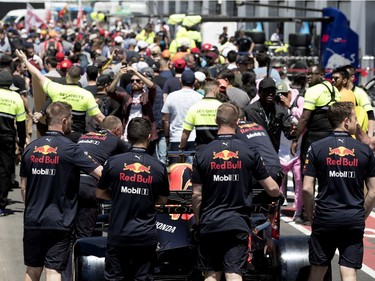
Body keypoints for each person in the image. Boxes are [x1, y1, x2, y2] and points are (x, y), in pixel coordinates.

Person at [192, 102, 281, 281]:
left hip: (210, 221)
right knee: (233, 273)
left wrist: (199, 219)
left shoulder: (201, 153)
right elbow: (272, 188)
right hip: (237, 223)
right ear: (238, 121)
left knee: (211, 274)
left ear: (216, 120)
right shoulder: (249, 152)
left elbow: (196, 194)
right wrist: (277, 194)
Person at [20, 101, 102, 281]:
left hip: (33, 219)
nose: (72, 122)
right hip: (59, 220)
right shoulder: (71, 149)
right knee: (53, 271)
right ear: (64, 121)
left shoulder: (30, 149)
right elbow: (101, 174)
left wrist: (33, 208)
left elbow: (23, 187)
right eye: (71, 119)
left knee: (32, 269)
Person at [303, 102, 375, 281]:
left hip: (325, 216)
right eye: (355, 118)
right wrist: (360, 215)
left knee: (318, 270)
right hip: (352, 218)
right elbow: (373, 191)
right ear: (346, 121)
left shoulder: (317, 147)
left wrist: (312, 216)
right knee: (349, 271)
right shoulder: (365, 150)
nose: (357, 123)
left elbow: (307, 188)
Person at [96, 117, 169, 281]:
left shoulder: (114, 162)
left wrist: (120, 195)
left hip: (118, 233)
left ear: (127, 137)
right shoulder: (158, 167)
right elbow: (163, 200)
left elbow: (99, 194)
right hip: (145, 235)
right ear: (149, 136)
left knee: (115, 278)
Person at [15, 49, 105, 142]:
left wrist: (25, 60)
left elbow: (37, 75)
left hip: (57, 138)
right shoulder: (87, 95)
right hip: (77, 139)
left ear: (66, 76)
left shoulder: (56, 89)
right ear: (79, 78)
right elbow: (99, 117)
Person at [76, 115, 128, 238]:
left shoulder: (84, 136)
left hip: (70, 183)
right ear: (117, 130)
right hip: (88, 186)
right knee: (85, 234)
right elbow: (128, 161)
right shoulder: (115, 141)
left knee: (71, 230)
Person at [291, 64, 341, 169]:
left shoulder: (312, 91)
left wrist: (295, 140)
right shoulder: (335, 90)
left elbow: (305, 118)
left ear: (321, 75)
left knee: (307, 170)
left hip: (314, 137)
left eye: (311, 74)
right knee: (328, 170)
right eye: (307, 74)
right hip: (333, 137)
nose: (308, 77)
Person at [161, 70, 202, 164]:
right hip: (194, 138)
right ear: (195, 82)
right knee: (192, 171)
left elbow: (165, 119)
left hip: (175, 138)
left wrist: (167, 136)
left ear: (180, 80)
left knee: (175, 171)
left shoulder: (171, 96)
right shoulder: (199, 97)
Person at [0, 70, 26, 216]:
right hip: (7, 139)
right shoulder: (16, 98)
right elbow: (21, 125)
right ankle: (1, 206)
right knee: (4, 171)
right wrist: (21, 144)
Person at [244, 77, 293, 152]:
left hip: (273, 153)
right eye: (267, 91)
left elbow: (288, 133)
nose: (270, 94)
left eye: (273, 91)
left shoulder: (280, 110)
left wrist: (293, 132)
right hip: (255, 152)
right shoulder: (250, 111)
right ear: (260, 92)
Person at [179, 78, 222, 150]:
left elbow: (186, 132)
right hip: (218, 149)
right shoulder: (221, 107)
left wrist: (181, 146)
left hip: (201, 150)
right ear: (215, 89)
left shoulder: (194, 108)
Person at [344, 64, 374, 137]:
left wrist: (369, 137)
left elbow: (370, 115)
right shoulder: (338, 92)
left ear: (352, 77)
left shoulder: (359, 93)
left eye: (345, 75)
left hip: (357, 138)